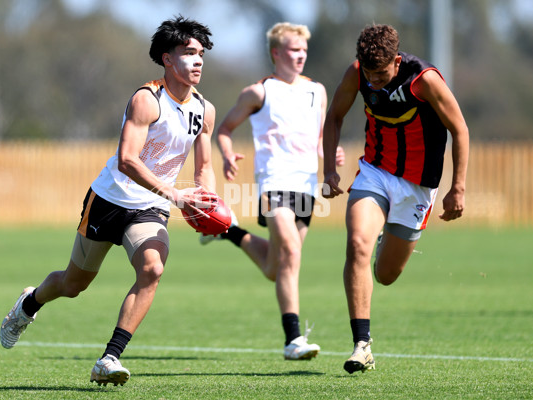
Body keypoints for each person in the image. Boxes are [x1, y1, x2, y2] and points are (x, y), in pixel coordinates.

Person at [0, 16, 217, 386]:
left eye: (201, 54)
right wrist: (177, 194)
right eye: (189, 53)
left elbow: (205, 166)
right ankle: (29, 303)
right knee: (72, 285)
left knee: (152, 269)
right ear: (167, 59)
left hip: (151, 207)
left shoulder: (204, 110)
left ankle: (109, 358)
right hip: (110, 199)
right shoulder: (146, 101)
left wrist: (206, 202)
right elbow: (127, 160)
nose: (198, 60)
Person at [322, 24, 469, 374]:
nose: (374, 82)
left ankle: (388, 236)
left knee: (386, 275)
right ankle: (362, 345)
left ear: (397, 61)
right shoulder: (358, 74)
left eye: (382, 74)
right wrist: (329, 169)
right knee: (357, 243)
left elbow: (459, 129)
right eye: (369, 75)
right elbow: (335, 117)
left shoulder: (424, 80)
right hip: (375, 172)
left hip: (418, 187)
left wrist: (457, 187)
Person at [201, 22, 345, 360]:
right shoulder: (259, 92)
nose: (301, 56)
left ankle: (228, 230)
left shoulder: (317, 91)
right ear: (276, 53)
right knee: (291, 255)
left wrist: (331, 154)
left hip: (306, 187)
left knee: (274, 267)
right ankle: (293, 340)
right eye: (295, 50)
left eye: (304, 51)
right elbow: (223, 129)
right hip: (274, 182)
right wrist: (226, 152)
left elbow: (322, 136)